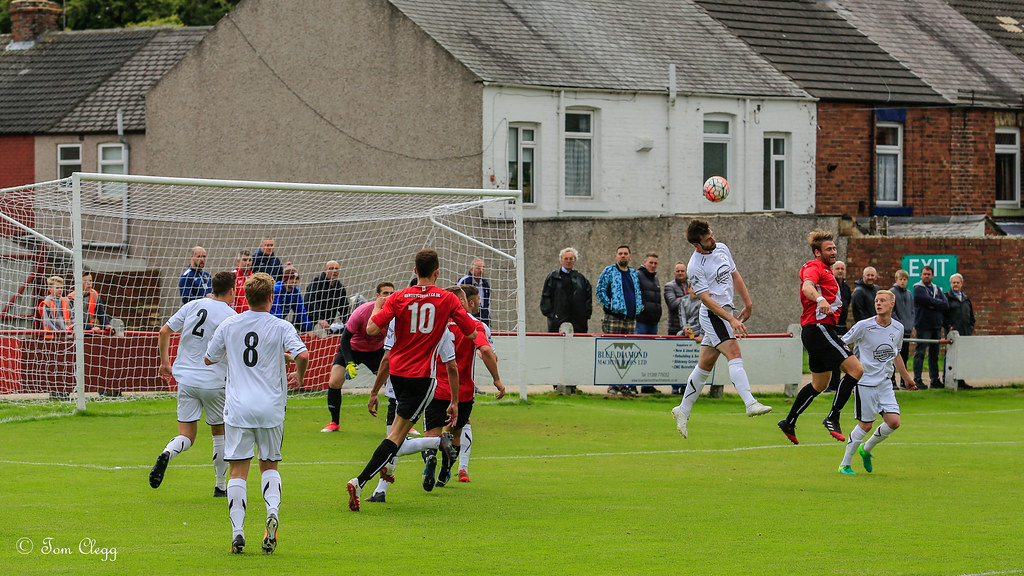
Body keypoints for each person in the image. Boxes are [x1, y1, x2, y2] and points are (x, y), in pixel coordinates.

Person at [345, 249, 478, 512]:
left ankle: (387, 472)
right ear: (437, 272)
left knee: (396, 432)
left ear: (415, 271)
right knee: (396, 437)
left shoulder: (398, 297)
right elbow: (471, 332)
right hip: (422, 379)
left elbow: (371, 329)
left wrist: (382, 307)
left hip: (397, 376)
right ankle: (360, 481)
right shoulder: (447, 298)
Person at [204, 272, 309, 555]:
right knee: (269, 465)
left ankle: (238, 533)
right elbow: (303, 355)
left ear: (245, 297)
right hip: (271, 408)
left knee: (238, 470)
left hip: (238, 408)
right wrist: (297, 375)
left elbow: (208, 357)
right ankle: (271, 513)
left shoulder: (230, 324)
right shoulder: (280, 326)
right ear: (271, 298)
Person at [670, 220, 772, 438]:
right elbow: (706, 300)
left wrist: (748, 303)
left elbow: (735, 276)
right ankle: (750, 403)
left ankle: (683, 410)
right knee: (734, 352)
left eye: (712, 234)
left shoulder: (722, 248)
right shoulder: (694, 266)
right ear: (697, 244)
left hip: (726, 311)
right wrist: (731, 320)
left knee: (705, 364)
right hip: (713, 315)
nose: (712, 239)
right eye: (707, 239)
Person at [150, 271, 237, 498]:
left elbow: (164, 331)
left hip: (186, 380)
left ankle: (168, 451)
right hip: (214, 381)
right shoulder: (231, 315)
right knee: (219, 433)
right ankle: (220, 486)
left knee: (186, 435)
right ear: (231, 291)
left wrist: (165, 363)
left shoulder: (192, 305)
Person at [777, 228, 864, 445]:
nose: (834, 252)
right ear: (817, 252)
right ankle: (833, 417)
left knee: (819, 383)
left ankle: (789, 422)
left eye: (834, 248)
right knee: (856, 370)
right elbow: (807, 286)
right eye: (829, 249)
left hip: (818, 331)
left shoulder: (827, 270)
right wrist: (820, 300)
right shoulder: (814, 267)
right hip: (819, 328)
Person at [424, 286, 505, 491]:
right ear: (462, 301)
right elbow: (486, 351)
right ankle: (445, 470)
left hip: (435, 389)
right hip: (463, 392)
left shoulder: (434, 323)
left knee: (431, 436)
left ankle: (430, 460)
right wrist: (496, 379)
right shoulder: (474, 325)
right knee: (454, 435)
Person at [838, 290, 917, 475]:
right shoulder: (863, 326)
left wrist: (906, 377)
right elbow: (841, 345)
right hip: (864, 382)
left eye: (882, 301)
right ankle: (845, 464)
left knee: (894, 422)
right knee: (866, 424)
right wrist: (849, 367)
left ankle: (865, 449)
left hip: (885, 382)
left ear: (892, 304)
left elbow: (895, 354)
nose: (878, 303)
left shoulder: (898, 328)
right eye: (876, 300)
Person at [321, 281, 395, 432]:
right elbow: (345, 338)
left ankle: (399, 422)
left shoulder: (396, 313)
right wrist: (349, 363)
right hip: (353, 349)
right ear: (377, 296)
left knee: (395, 384)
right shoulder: (362, 311)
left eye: (391, 293)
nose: (388, 296)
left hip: (376, 351)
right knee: (334, 382)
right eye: (385, 293)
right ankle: (334, 422)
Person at [596, 245, 643, 394]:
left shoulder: (634, 273)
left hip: (630, 319)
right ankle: (612, 384)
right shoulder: (609, 271)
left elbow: (637, 292)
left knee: (627, 353)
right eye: (620, 253)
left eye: (625, 254)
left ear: (630, 256)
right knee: (613, 351)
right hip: (613, 318)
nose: (623, 256)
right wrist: (610, 305)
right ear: (616, 256)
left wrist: (639, 307)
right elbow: (600, 291)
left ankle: (624, 384)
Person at [539, 247, 592, 333]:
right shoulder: (553, 277)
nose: (568, 261)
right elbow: (546, 296)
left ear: (575, 261)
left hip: (578, 321)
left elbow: (588, 297)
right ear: (561, 260)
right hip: (557, 320)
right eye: (566, 258)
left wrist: (586, 314)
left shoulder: (581, 279)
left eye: (571, 259)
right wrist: (550, 314)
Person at [913, 265, 948, 389]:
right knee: (920, 353)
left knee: (934, 354)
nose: (926, 276)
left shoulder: (937, 289)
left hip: (936, 326)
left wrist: (933, 304)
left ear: (932, 276)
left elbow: (945, 304)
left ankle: (935, 380)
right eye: (924, 274)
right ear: (921, 275)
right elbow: (925, 300)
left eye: (929, 274)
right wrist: (934, 303)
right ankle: (917, 379)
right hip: (923, 325)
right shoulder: (918, 289)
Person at [944, 273, 975, 389]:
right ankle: (946, 379)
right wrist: (949, 326)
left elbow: (971, 316)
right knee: (950, 356)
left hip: (965, 332)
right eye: (953, 282)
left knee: (962, 357)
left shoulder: (966, 299)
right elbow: (944, 315)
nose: (955, 284)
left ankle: (961, 380)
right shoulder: (946, 297)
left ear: (961, 284)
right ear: (951, 284)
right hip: (953, 333)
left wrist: (971, 327)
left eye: (957, 282)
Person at [826, 260, 853, 392]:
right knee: (832, 355)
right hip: (831, 326)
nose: (840, 271)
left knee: (844, 355)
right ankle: (831, 385)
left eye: (842, 268)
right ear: (833, 270)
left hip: (842, 326)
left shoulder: (846, 287)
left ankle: (839, 385)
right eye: (838, 268)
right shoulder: (830, 285)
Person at [305, 260, 351, 332]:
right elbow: (310, 302)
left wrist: (350, 323)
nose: (334, 271)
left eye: (336, 269)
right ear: (325, 270)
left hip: (328, 326)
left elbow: (344, 309)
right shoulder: (316, 283)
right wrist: (319, 319)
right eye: (331, 269)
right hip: (311, 324)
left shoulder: (340, 288)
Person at [890, 269, 915, 389]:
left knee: (904, 355)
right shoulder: (892, 293)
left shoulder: (909, 294)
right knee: (894, 355)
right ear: (896, 280)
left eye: (905, 280)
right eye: (901, 279)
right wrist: (899, 325)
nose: (903, 282)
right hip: (895, 330)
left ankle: (903, 381)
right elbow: (892, 312)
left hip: (907, 330)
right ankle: (892, 380)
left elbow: (912, 311)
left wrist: (910, 324)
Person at [270, 265, 313, 333]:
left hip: (279, 323)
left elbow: (301, 311)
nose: (294, 281)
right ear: (285, 279)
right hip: (269, 323)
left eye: (297, 279)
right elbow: (275, 311)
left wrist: (308, 329)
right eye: (291, 278)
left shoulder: (295, 292)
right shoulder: (276, 290)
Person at [458, 257, 491, 325]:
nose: (481, 270)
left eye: (483, 268)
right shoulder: (464, 281)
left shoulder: (485, 284)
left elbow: (487, 303)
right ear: (471, 270)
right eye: (478, 268)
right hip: (468, 318)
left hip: (483, 319)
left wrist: (487, 317)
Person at [635, 253, 662, 335]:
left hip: (654, 322)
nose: (653, 265)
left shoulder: (655, 279)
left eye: (655, 263)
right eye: (651, 263)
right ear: (645, 262)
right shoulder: (637, 276)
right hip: (641, 321)